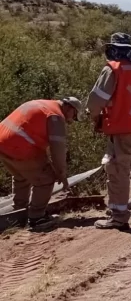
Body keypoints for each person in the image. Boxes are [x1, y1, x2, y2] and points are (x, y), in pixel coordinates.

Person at [86, 33, 131, 230]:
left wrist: (95, 118)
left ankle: (118, 216)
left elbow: (95, 102)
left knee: (118, 170)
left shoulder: (113, 69)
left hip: (123, 128)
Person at [0, 97, 82, 226]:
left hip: (3, 145)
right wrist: (61, 173)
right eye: (74, 116)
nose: (71, 121)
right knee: (47, 179)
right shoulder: (56, 116)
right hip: (21, 147)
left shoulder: (41, 103)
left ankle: (18, 214)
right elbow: (58, 149)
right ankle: (37, 217)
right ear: (70, 108)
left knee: (22, 176)